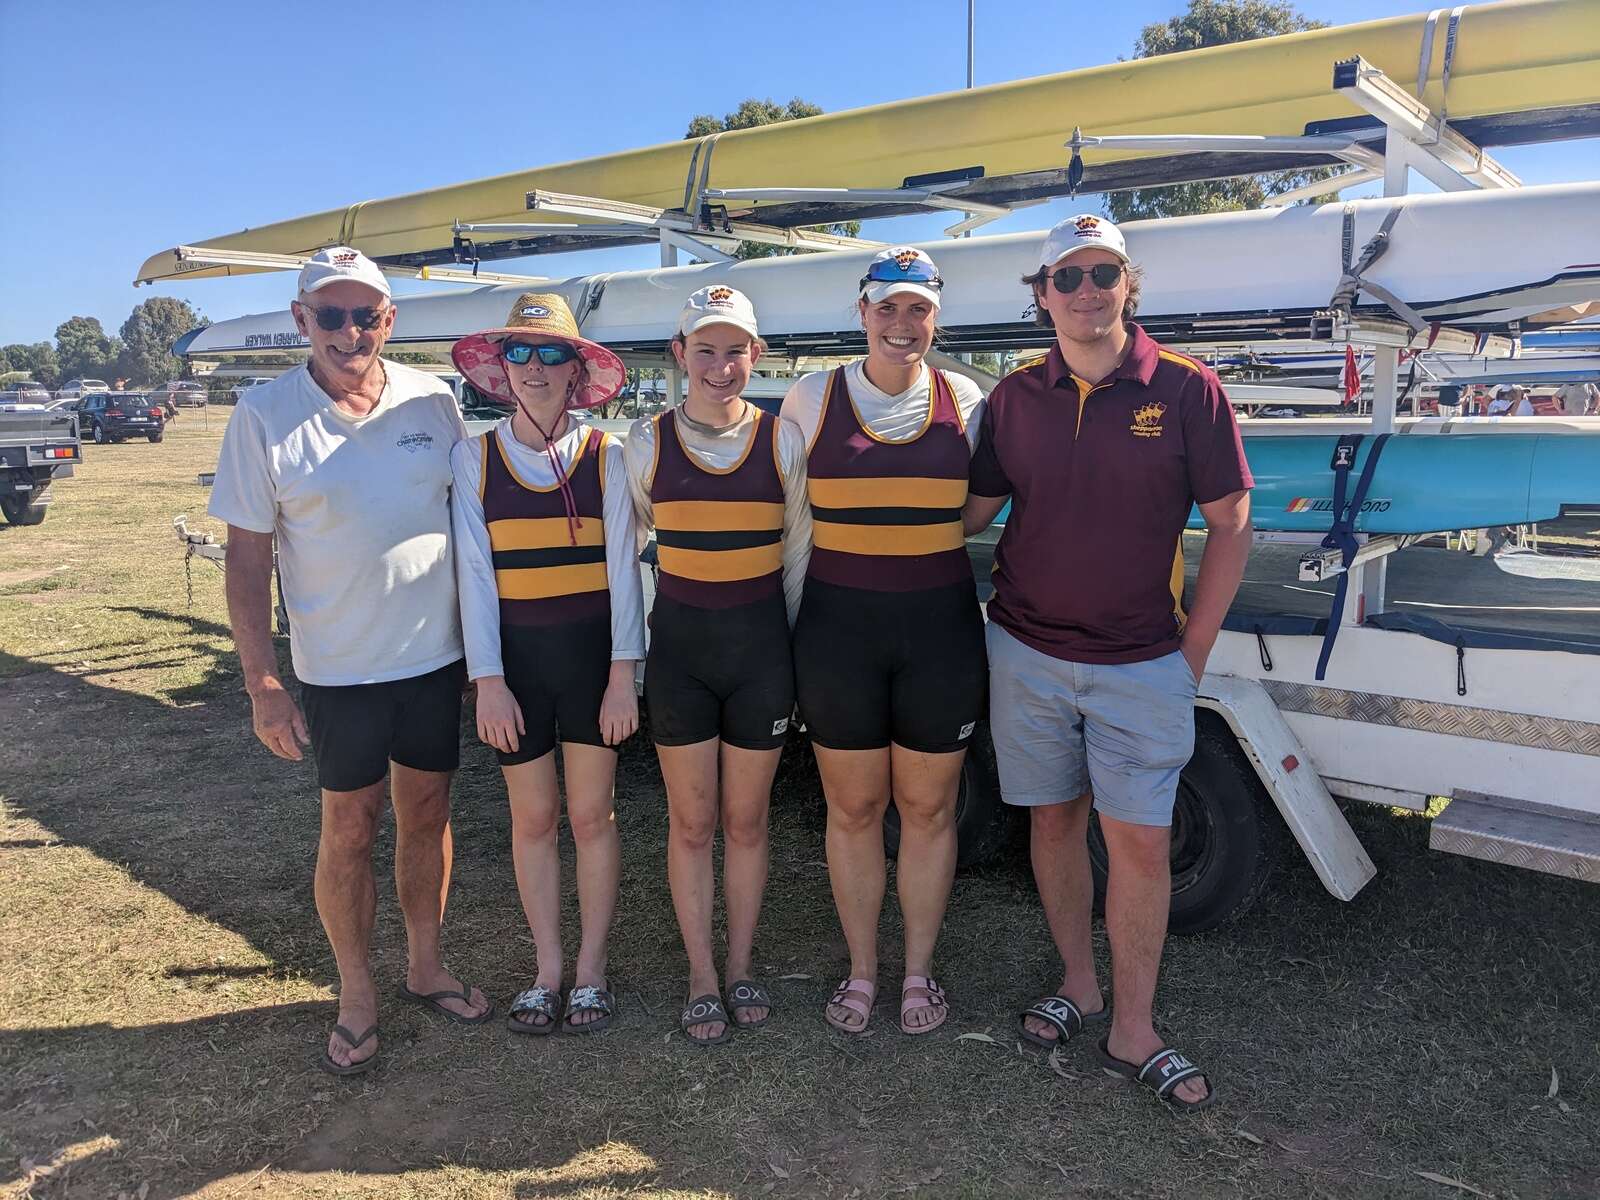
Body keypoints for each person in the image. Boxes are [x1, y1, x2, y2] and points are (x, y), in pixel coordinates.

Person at [962, 214, 1253, 1111]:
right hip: (1027, 650)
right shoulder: (1013, 399)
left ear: (1129, 284)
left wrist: (1191, 652)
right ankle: (1078, 984)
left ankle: (1135, 1026)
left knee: (1139, 843)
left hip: (1142, 662)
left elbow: (1233, 523)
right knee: (1051, 825)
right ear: (1042, 293)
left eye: (1103, 273)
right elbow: (967, 516)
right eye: (1068, 277)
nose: (1086, 291)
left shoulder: (1189, 389)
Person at [209, 246, 490, 1077]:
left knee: (428, 817)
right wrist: (263, 681)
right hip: (337, 671)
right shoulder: (264, 414)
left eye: (365, 315)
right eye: (330, 315)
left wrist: (484, 655)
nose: (349, 331)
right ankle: (357, 991)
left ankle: (425, 965)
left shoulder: (434, 401)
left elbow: (470, 528)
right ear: (301, 322)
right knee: (349, 830)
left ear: (388, 322)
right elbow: (247, 562)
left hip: (434, 660)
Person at [779, 247, 988, 1037]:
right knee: (854, 808)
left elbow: (973, 512)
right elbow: (790, 517)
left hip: (937, 630)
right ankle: (864, 970)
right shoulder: (811, 396)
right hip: (839, 632)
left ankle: (918, 973)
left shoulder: (965, 397)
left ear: (936, 315)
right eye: (886, 308)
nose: (902, 325)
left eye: (918, 309)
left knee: (929, 813)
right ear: (862, 312)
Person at [449, 294, 643, 1035]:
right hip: (518, 671)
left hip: (593, 664)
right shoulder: (475, 456)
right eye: (520, 354)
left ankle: (592, 971)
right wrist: (488, 682)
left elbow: (624, 571)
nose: (534, 369)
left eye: (551, 354)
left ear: (576, 370)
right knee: (533, 819)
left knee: (592, 816)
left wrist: (624, 672)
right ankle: (548, 968)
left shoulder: (609, 455)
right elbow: (475, 574)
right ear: (500, 370)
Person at [623, 286, 812, 1045]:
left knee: (747, 819)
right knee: (693, 823)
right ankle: (702, 974)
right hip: (681, 655)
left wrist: (788, 653)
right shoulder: (645, 442)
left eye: (735, 351)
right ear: (681, 354)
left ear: (755, 356)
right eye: (705, 350)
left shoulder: (782, 443)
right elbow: (629, 542)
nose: (721, 365)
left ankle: (740, 965)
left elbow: (797, 556)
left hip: (761, 653)